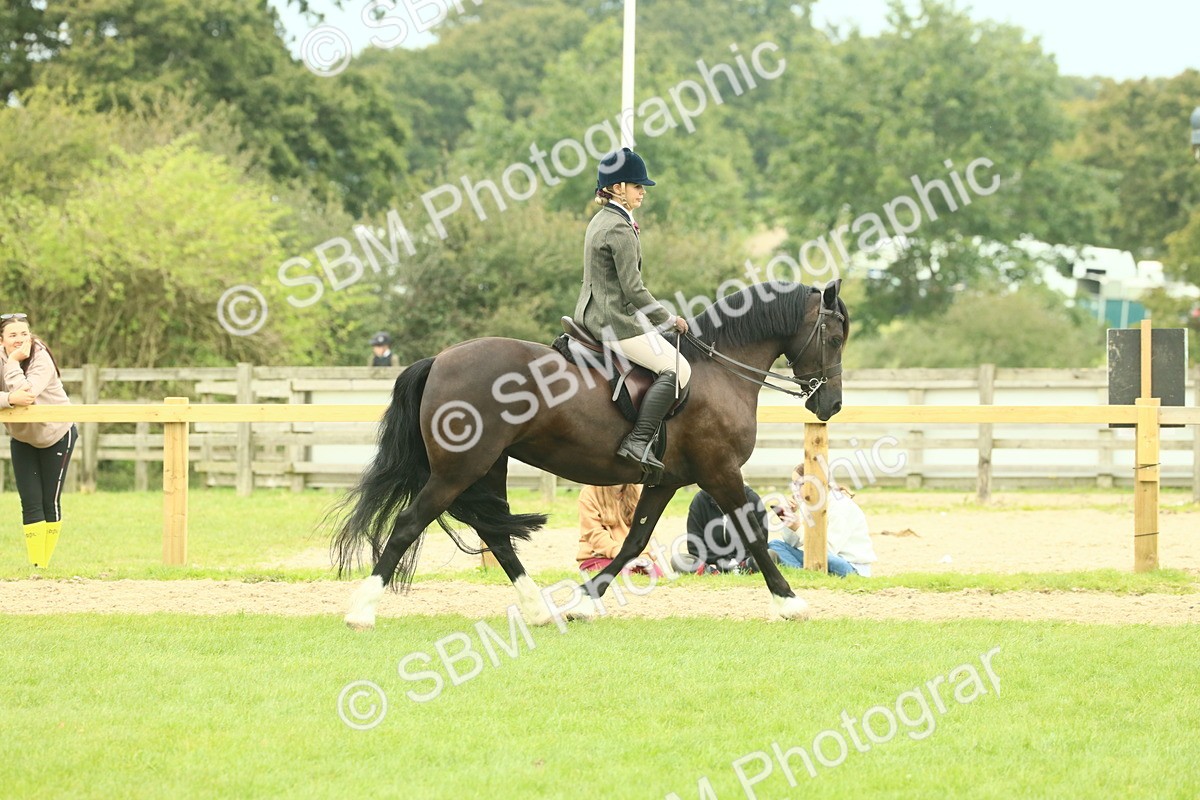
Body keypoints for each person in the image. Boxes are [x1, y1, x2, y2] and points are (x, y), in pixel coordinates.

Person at [574, 147, 691, 478]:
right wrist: (667, 319)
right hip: (613, 322)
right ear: (616, 188)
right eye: (637, 186)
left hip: (593, 314)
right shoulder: (619, 228)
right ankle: (638, 441)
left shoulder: (602, 220)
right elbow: (633, 290)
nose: (642, 191)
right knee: (678, 368)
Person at [0, 313, 77, 568]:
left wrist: (12, 363)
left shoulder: (40, 356)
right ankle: (37, 567)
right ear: (1, 340)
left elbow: (28, 394)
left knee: (49, 501)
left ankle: (45, 564)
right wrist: (8, 400)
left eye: (24, 333)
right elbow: (17, 398)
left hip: (56, 433)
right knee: (30, 501)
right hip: (22, 436)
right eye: (12, 335)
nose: (20, 339)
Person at [769, 463, 877, 577]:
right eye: (794, 484)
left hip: (849, 566)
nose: (795, 489)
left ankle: (802, 571)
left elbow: (828, 550)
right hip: (820, 558)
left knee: (828, 558)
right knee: (775, 544)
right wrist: (789, 520)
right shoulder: (807, 504)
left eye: (800, 484)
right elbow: (793, 543)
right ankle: (804, 573)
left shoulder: (840, 506)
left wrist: (797, 527)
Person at [676, 486, 766, 574]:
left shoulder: (751, 499)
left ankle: (745, 568)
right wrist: (720, 561)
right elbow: (695, 545)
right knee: (678, 560)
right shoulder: (700, 500)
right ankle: (712, 573)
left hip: (745, 561)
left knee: (769, 555)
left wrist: (738, 561)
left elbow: (761, 541)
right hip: (712, 564)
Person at [575, 483, 661, 575]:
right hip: (598, 557)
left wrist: (644, 556)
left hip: (633, 557)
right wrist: (623, 556)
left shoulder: (639, 490)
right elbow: (593, 533)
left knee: (656, 575)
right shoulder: (589, 492)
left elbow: (646, 531)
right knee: (626, 575)